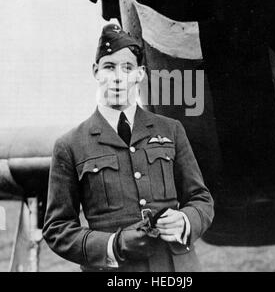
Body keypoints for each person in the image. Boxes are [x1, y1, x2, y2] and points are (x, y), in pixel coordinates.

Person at [42, 24, 214, 272]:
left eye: (128, 68)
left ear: (140, 74)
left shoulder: (171, 130)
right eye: (109, 67)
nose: (118, 77)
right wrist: (113, 244)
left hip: (177, 269)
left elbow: (201, 199)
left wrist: (185, 220)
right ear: (96, 72)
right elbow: (57, 229)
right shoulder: (70, 145)